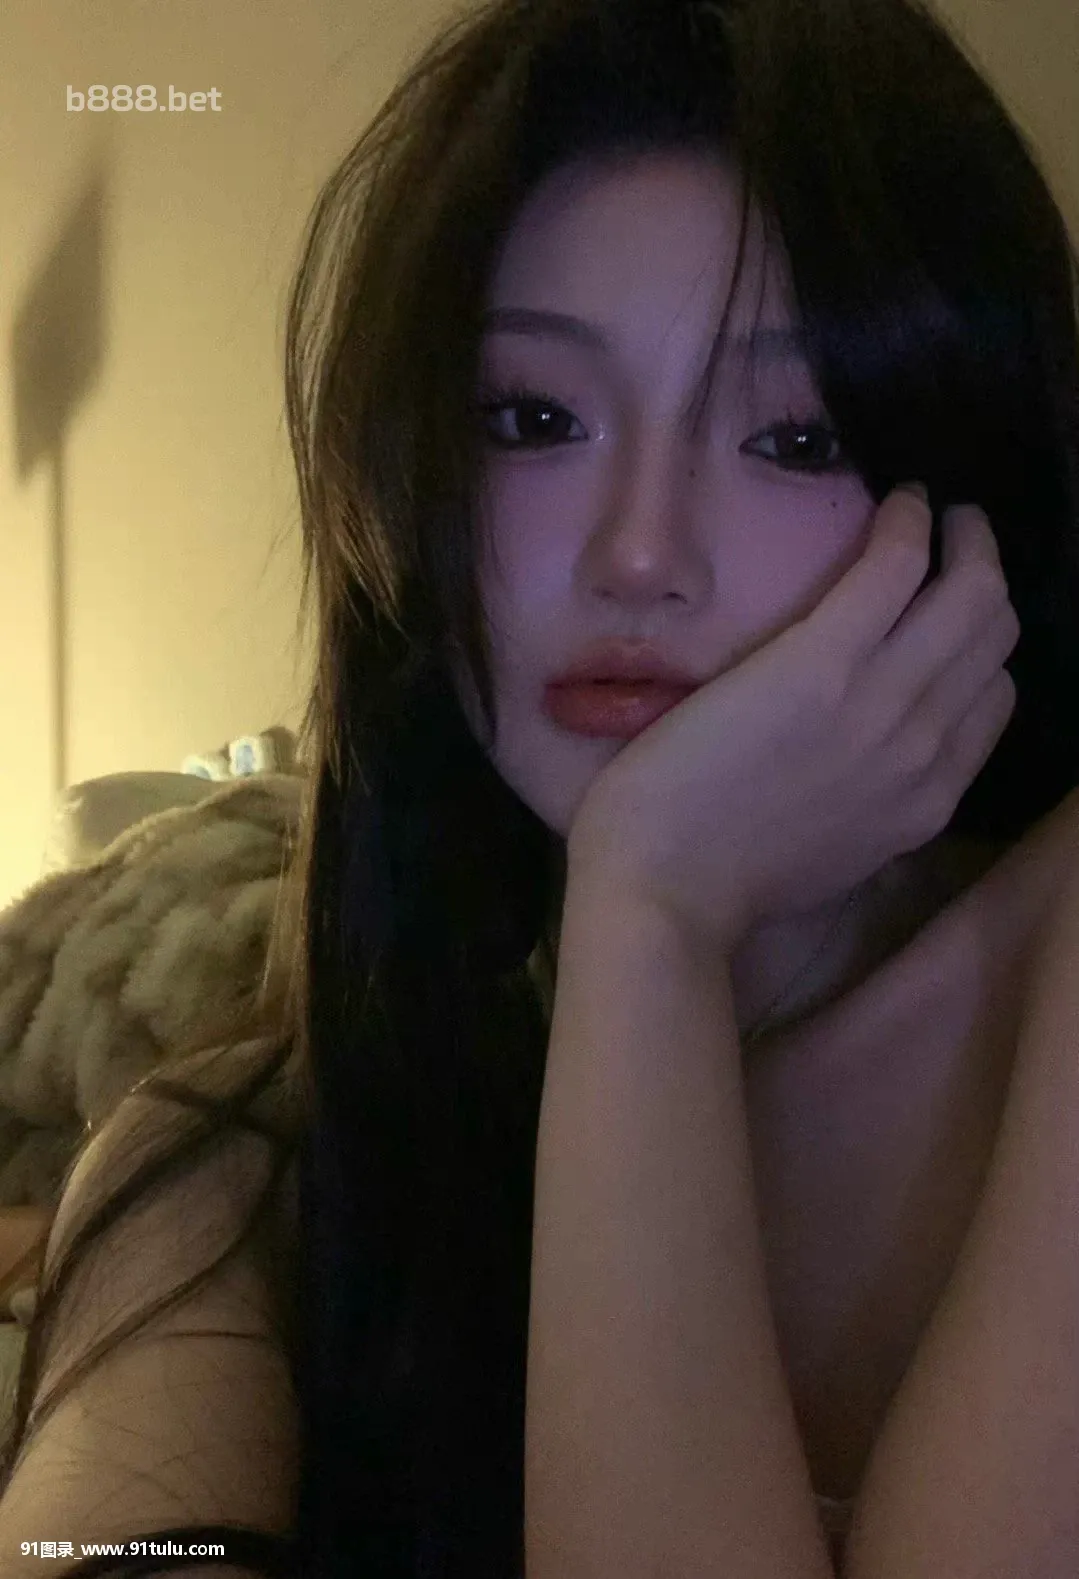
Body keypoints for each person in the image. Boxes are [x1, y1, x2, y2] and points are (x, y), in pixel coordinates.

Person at [1, 0, 1078, 1574]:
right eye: (532, 419)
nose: (637, 553)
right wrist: (651, 926)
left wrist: (652, 909)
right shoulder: (238, 1163)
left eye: (796, 435)